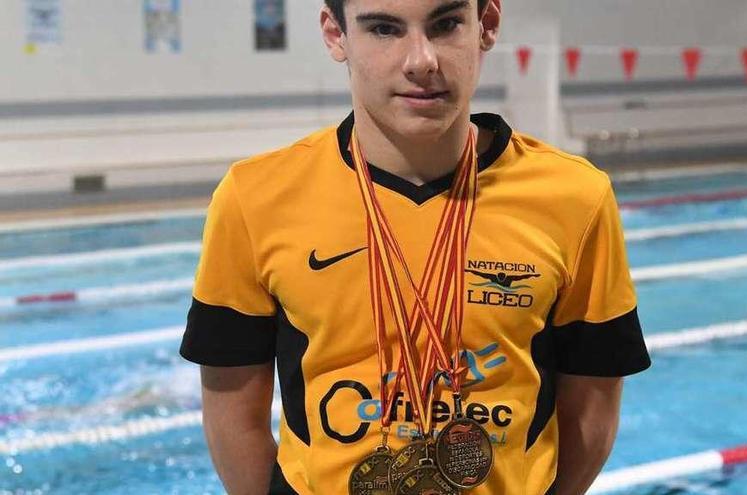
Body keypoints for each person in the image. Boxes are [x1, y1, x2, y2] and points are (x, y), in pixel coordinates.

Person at [179, 1, 651, 494]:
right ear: (336, 35)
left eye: (446, 25)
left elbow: (594, 401)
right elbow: (231, 407)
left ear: (486, 25)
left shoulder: (576, 198)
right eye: (384, 29)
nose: (421, 60)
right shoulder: (254, 198)